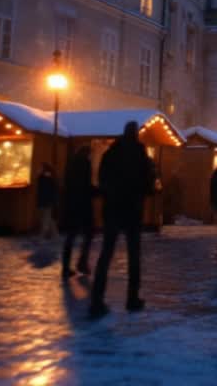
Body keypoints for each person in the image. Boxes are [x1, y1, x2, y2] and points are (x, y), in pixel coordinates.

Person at [90, 121, 155, 319]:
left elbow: (102, 179)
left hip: (112, 209)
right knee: (134, 255)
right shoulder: (140, 155)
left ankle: (97, 300)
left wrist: (111, 195)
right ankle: (132, 298)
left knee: (106, 254)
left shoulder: (111, 153)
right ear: (136, 134)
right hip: (132, 210)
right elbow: (149, 183)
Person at [61, 144, 95, 279]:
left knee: (71, 236)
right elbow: (85, 186)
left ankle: (66, 267)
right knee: (88, 234)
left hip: (71, 205)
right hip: (83, 205)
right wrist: (97, 191)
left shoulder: (70, 164)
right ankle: (82, 262)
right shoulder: (85, 164)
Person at [35, 163, 58, 240]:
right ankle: (54, 233)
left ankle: (44, 234)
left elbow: (45, 191)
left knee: (46, 218)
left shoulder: (44, 178)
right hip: (47, 201)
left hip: (45, 201)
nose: (38, 169)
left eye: (40, 168)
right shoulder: (49, 178)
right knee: (49, 218)